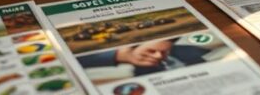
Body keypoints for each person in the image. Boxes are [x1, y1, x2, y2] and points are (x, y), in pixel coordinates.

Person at [77, 39, 210, 78]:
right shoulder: (142, 69)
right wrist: (119, 55)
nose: (158, 56)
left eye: (164, 51)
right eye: (152, 51)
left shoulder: (192, 50)